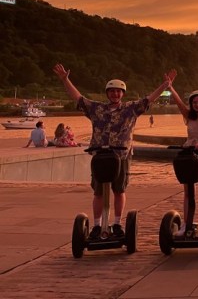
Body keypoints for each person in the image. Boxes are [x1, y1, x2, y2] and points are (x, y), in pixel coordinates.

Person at [52, 63, 175, 240]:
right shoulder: (97, 109)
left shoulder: (130, 109)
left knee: (119, 190)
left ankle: (117, 223)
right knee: (99, 192)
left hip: (121, 155)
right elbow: (78, 98)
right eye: (112, 91)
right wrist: (65, 80)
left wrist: (165, 86)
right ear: (107, 93)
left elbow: (149, 99)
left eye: (118, 91)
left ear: (122, 94)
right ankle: (96, 225)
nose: (115, 94)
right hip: (100, 156)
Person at [167, 87, 198, 235]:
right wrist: (170, 87)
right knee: (188, 191)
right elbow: (179, 103)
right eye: (194, 102)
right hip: (188, 153)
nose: (197, 104)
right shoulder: (189, 116)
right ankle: (186, 223)